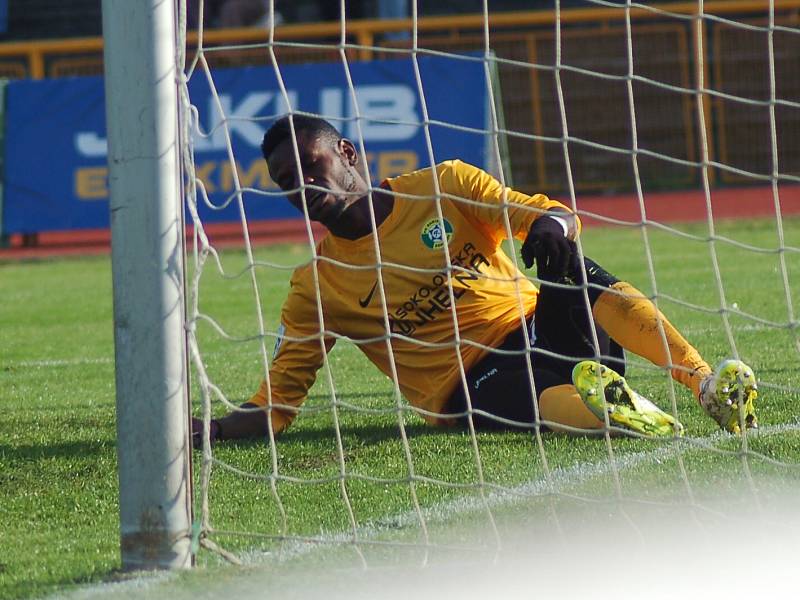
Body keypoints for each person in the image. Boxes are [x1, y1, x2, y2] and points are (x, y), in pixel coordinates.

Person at [192, 114, 758, 446]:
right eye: (289, 182)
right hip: (471, 383)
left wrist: (552, 227)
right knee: (525, 395)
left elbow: (544, 210)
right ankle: (621, 412)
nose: (305, 187)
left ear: (347, 152)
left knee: (574, 264)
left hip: (549, 329)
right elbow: (277, 406)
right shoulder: (316, 287)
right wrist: (208, 430)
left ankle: (707, 387)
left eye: (311, 166)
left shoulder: (445, 184)